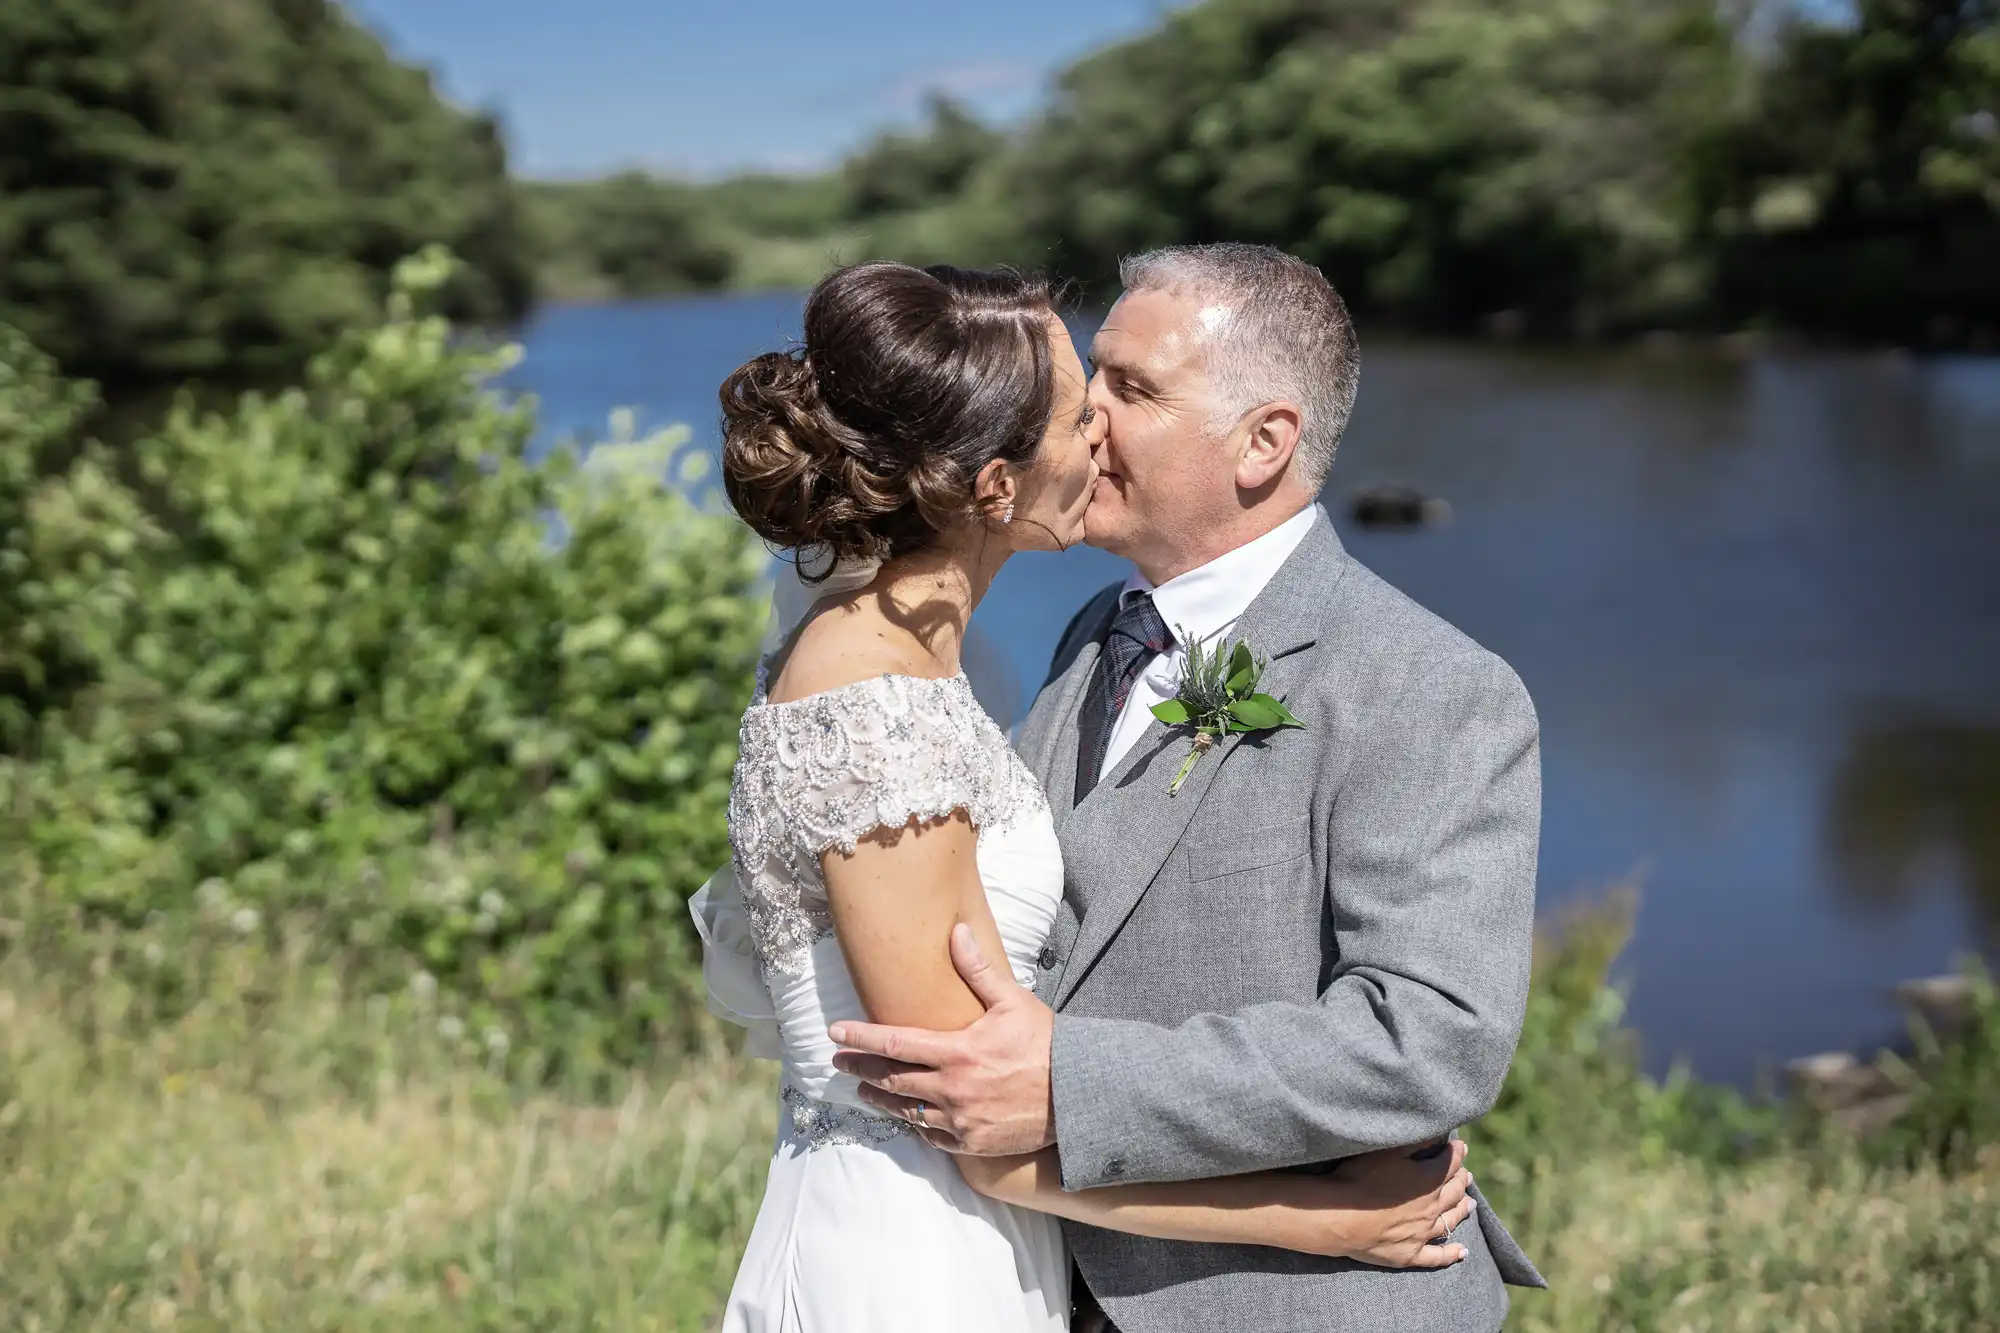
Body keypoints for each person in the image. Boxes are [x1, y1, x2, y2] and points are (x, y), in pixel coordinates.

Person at [697, 259, 1488, 1333]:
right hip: (914, 1264)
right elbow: (965, 1110)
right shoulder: (893, 691)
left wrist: (1070, 1078)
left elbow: (1427, 1039)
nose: (1100, 429)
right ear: (989, 484)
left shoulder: (1424, 684)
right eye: (1084, 399)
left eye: (1131, 390)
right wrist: (1318, 1218)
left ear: (1263, 441)